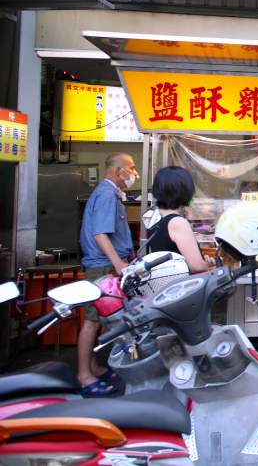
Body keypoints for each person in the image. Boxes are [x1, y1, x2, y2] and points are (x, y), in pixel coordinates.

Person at [77, 153, 137, 395]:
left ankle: (93, 366)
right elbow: (100, 234)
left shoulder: (110, 194)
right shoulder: (106, 194)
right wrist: (118, 264)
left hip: (105, 264)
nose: (134, 173)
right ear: (118, 170)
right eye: (131, 168)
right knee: (92, 321)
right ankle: (84, 376)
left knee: (99, 320)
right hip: (102, 266)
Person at [146, 166, 214, 273]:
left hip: (164, 284)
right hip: (178, 285)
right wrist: (209, 265)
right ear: (185, 190)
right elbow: (196, 267)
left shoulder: (155, 217)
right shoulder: (177, 222)